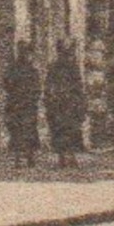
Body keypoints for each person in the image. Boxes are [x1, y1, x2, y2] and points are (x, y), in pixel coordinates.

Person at [45, 40, 87, 169]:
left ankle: (63, 158)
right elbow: (79, 87)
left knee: (59, 130)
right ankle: (70, 157)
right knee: (70, 129)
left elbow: (48, 87)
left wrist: (49, 101)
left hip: (59, 104)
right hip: (68, 103)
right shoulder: (72, 67)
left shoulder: (54, 67)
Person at [4, 41, 42, 170]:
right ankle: (23, 158)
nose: (29, 56)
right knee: (22, 131)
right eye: (27, 52)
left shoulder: (23, 69)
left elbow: (37, 87)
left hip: (23, 105)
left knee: (24, 131)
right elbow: (7, 85)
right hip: (21, 105)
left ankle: (26, 157)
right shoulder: (23, 69)